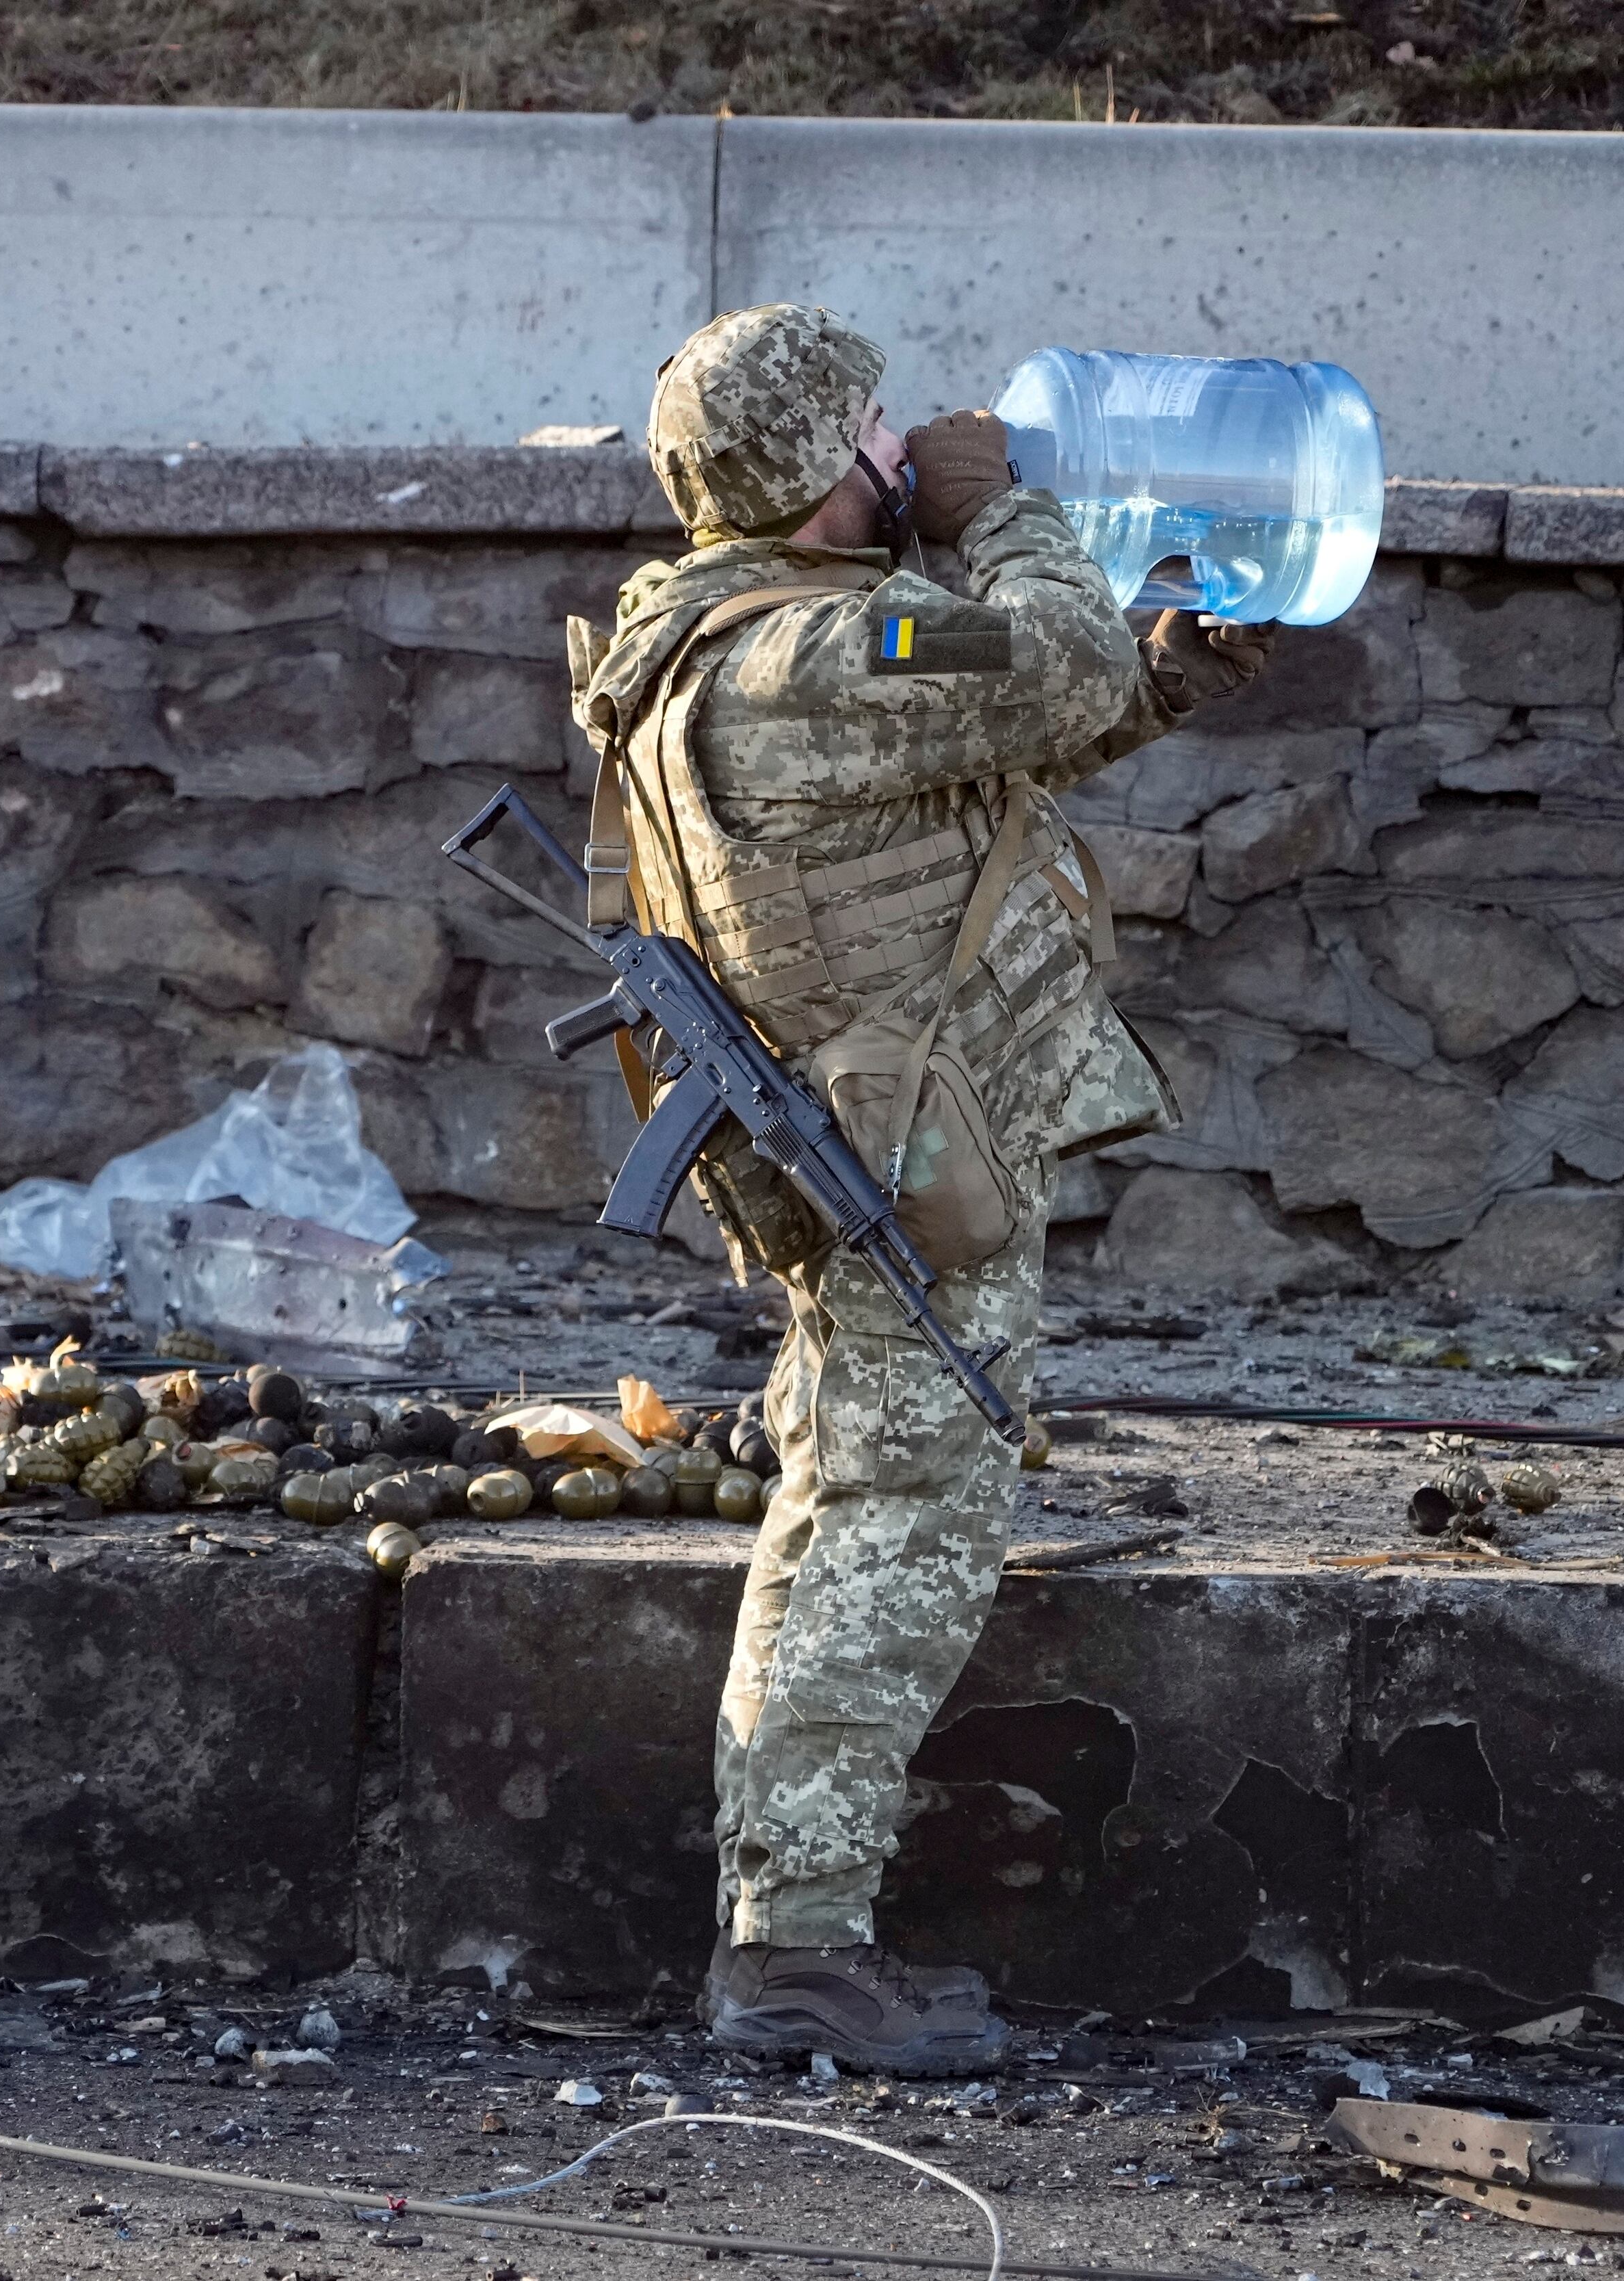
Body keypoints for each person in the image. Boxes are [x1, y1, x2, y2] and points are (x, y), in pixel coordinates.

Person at [565, 304, 1270, 2074]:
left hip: (884, 1126)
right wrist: (1004, 508)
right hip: (908, 1155)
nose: (906, 451)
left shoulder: (750, 636)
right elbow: (1032, 666)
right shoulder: (812, 648)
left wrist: (1170, 657)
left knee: (844, 1510)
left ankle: (786, 1931)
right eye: (878, 430)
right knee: (901, 1527)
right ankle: (795, 1949)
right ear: (815, 477)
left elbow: (1004, 733)